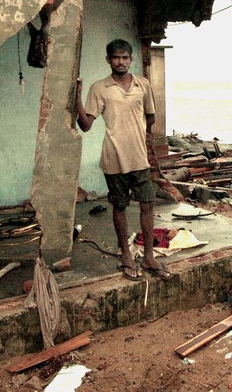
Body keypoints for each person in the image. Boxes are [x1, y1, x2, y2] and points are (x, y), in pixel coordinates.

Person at [76, 39, 172, 281]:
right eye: (116, 57)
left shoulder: (143, 85)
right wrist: (76, 95)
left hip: (139, 158)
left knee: (147, 205)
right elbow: (85, 125)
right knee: (119, 206)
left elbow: (150, 118)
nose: (121, 62)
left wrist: (135, 135)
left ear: (131, 59)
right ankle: (127, 257)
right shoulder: (99, 88)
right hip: (114, 158)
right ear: (108, 60)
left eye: (125, 57)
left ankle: (149, 257)